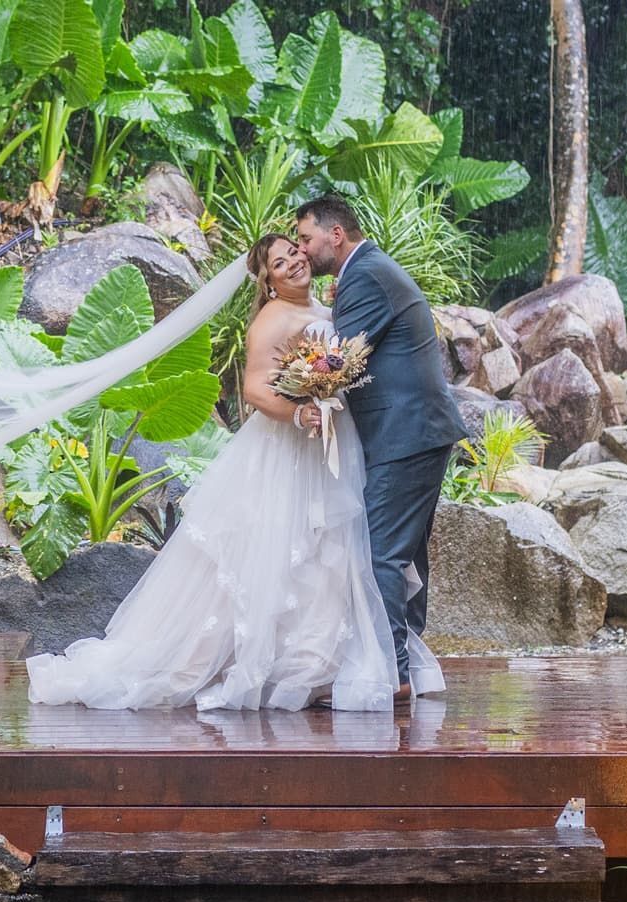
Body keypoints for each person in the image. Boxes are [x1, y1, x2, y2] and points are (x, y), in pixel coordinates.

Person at [25, 234, 444, 712]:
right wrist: (299, 411)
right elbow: (256, 391)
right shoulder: (270, 319)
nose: (293, 264)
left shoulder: (326, 308)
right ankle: (257, 663)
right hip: (289, 452)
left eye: (295, 253)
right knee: (278, 553)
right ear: (267, 283)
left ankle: (316, 665)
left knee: (328, 554)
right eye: (280, 264)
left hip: (333, 447)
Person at [296, 196, 466, 704]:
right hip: (413, 432)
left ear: (336, 235)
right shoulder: (365, 271)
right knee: (405, 557)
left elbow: (340, 361)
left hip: (404, 434)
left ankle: (393, 675)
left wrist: (293, 389)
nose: (303, 250)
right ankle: (406, 661)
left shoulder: (365, 276)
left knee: (382, 557)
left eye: (306, 238)